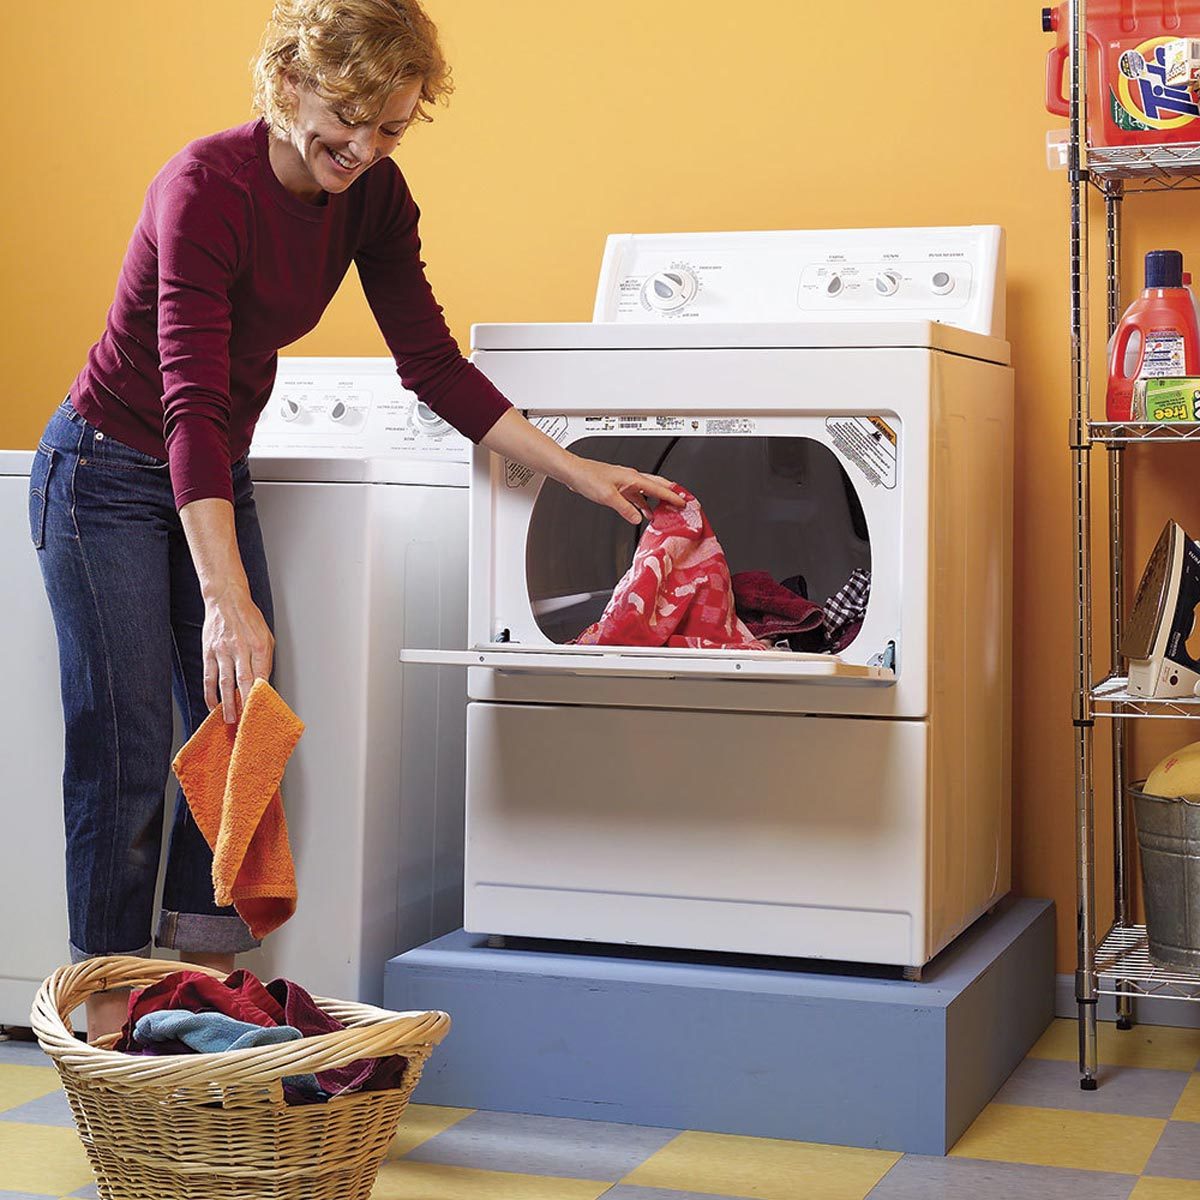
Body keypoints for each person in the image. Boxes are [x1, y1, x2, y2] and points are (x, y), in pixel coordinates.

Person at [29, 0, 679, 1042]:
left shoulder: (372, 197)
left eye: (393, 128)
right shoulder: (203, 188)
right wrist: (225, 598)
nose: (365, 148)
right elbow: (187, 398)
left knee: (236, 727)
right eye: (350, 116)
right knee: (130, 742)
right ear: (287, 81)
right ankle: (105, 1025)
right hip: (105, 466)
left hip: (211, 469)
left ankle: (204, 1019)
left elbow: (428, 363)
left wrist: (578, 473)